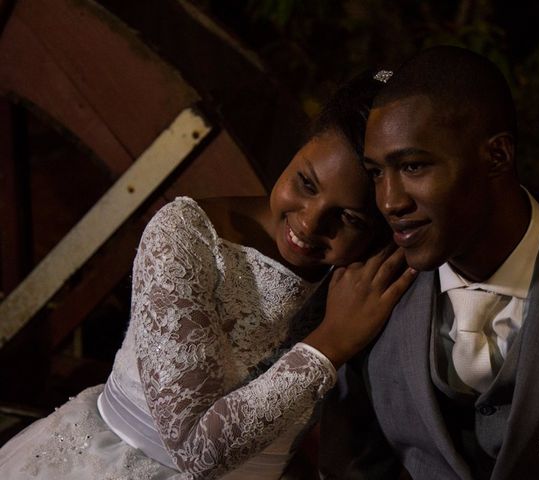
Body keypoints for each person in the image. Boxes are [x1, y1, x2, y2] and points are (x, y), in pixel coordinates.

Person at [0, 72, 416, 479]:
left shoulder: (367, 279)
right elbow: (196, 452)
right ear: (298, 148)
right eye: (305, 183)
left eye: (349, 217)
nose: (309, 224)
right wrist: (332, 342)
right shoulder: (186, 234)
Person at [319, 46, 539, 480]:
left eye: (413, 166)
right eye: (377, 172)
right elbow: (352, 464)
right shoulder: (366, 298)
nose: (390, 201)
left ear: (497, 157)